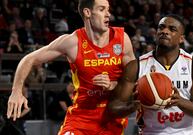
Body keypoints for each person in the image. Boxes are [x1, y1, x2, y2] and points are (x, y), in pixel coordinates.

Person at [7, 0, 135, 134]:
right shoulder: (72, 42)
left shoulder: (122, 40)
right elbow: (29, 58)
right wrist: (16, 91)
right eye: (102, 9)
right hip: (80, 118)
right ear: (87, 12)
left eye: (108, 9)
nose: (108, 14)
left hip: (111, 119)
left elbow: (134, 81)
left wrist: (113, 85)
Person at [108, 14, 193, 135]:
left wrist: (180, 101)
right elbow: (113, 108)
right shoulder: (136, 66)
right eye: (161, 27)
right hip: (151, 132)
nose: (165, 31)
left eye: (172, 29)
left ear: (181, 39)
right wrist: (133, 106)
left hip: (187, 132)